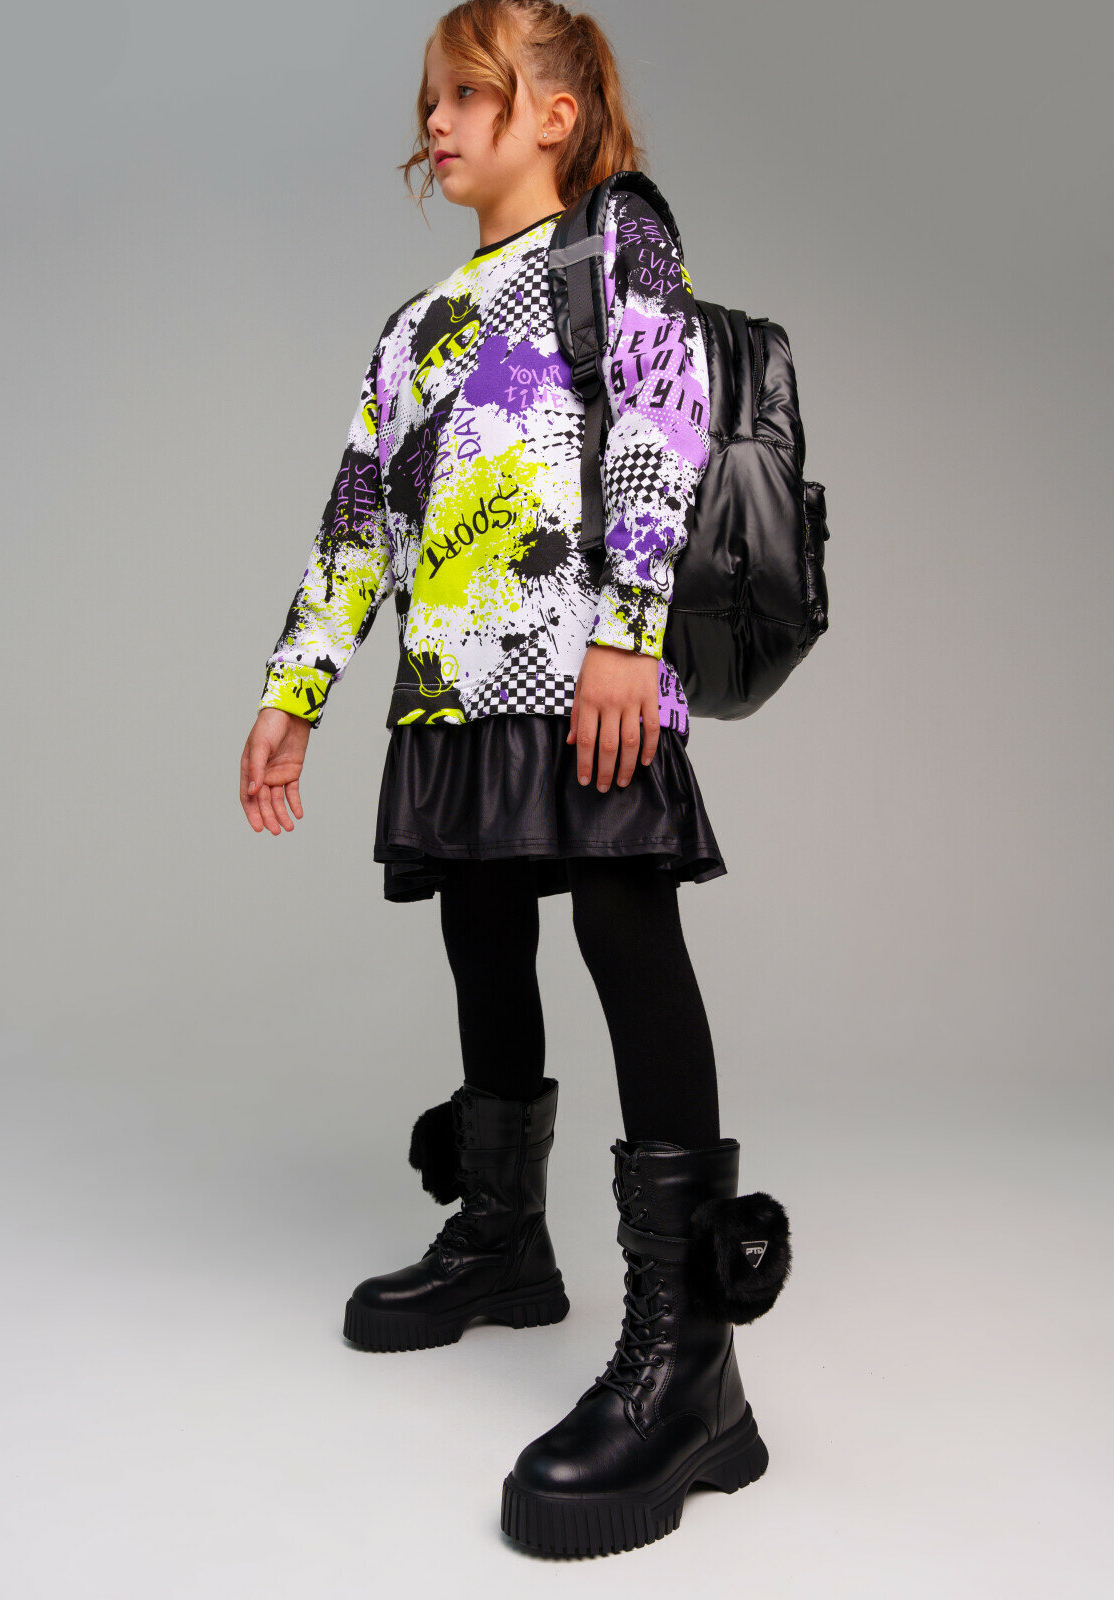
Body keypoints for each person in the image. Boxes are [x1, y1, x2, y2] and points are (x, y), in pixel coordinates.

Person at [239, 0, 790, 1560]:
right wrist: (294, 691)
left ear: (552, 113)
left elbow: (665, 422)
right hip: (452, 690)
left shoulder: (619, 240)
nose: (437, 121)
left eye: (468, 92)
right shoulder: (412, 324)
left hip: (588, 667)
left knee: (622, 927)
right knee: (481, 932)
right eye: (430, 98)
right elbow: (361, 519)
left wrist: (628, 631)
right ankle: (503, 1242)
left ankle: (691, 1363)